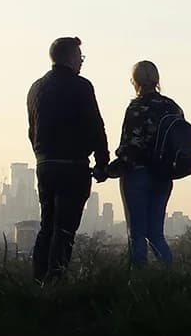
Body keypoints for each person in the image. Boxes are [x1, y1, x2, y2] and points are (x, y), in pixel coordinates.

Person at [27, 36, 109, 283]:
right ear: (71, 58)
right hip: (72, 166)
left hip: (45, 165)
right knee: (65, 230)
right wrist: (102, 162)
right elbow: (95, 126)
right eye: (80, 57)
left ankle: (38, 282)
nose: (81, 62)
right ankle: (56, 280)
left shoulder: (36, 88)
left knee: (47, 227)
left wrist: (41, 156)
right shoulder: (81, 86)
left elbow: (32, 130)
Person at [108, 60, 181, 267]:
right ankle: (171, 277)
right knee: (156, 235)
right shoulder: (172, 107)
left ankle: (138, 284)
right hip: (164, 177)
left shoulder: (136, 108)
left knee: (137, 235)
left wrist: (109, 170)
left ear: (135, 82)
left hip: (137, 176)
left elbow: (130, 148)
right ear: (157, 80)